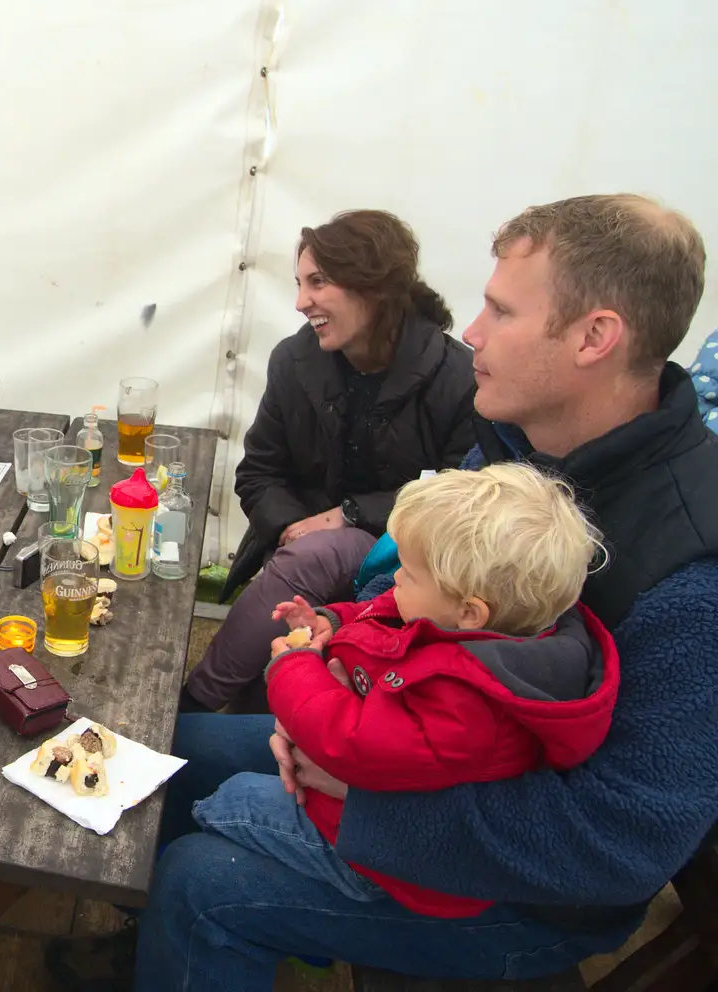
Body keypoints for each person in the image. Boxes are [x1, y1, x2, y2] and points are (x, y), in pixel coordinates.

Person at [50, 194, 718, 991]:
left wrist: (369, 802)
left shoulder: (692, 574)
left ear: (594, 337)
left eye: (501, 311)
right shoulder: (517, 443)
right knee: (167, 755)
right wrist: (338, 632)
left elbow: (620, 844)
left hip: (520, 901)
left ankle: (187, 933)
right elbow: (412, 595)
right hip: (403, 741)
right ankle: (158, 944)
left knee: (204, 884)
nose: (471, 331)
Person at [195, 463, 618, 920]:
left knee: (231, 802)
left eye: (409, 574)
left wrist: (293, 669)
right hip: (350, 793)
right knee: (199, 759)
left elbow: (354, 744)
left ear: (471, 611)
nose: (395, 579)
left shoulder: (469, 703)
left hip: (378, 855)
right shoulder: (450, 620)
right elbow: (377, 619)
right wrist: (331, 622)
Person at [184, 210, 477, 714]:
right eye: (299, 284)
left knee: (315, 560)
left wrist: (348, 517)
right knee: (266, 693)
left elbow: (460, 500)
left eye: (318, 282)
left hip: (405, 556)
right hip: (296, 556)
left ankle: (189, 706)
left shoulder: (458, 379)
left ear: (375, 285)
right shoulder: (294, 362)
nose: (301, 303)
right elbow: (258, 473)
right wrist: (294, 529)